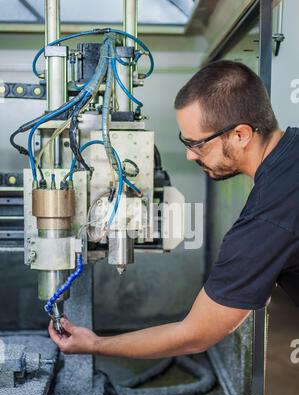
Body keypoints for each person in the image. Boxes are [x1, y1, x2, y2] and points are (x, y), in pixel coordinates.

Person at [49, 60, 299, 358]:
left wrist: (95, 344)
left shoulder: (266, 220)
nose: (189, 155)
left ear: (241, 135)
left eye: (197, 144)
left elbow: (194, 335)